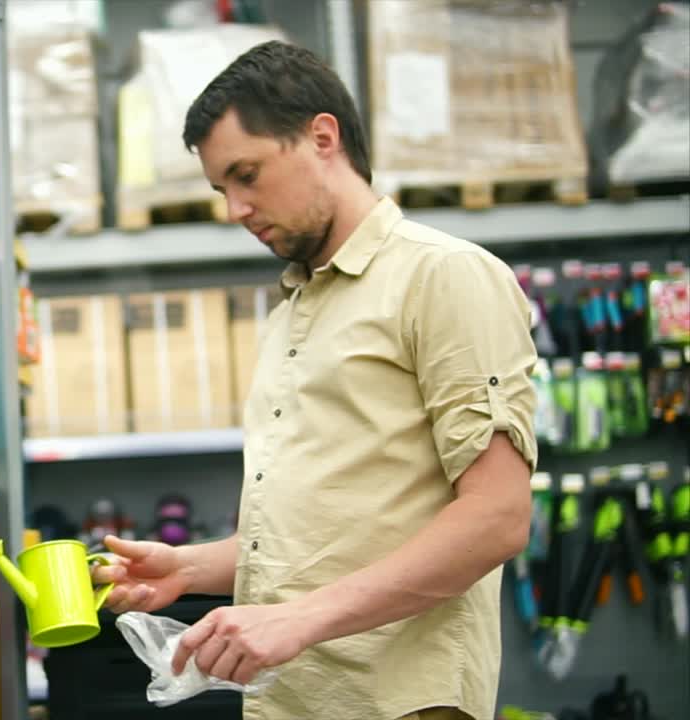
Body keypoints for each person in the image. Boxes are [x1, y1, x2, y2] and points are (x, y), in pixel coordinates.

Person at [91, 41, 537, 720]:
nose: (236, 208)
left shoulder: (441, 276)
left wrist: (298, 619)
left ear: (322, 137)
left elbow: (497, 517)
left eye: (247, 174)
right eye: (222, 189)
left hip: (398, 703)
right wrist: (190, 568)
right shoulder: (297, 310)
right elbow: (323, 535)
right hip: (294, 701)